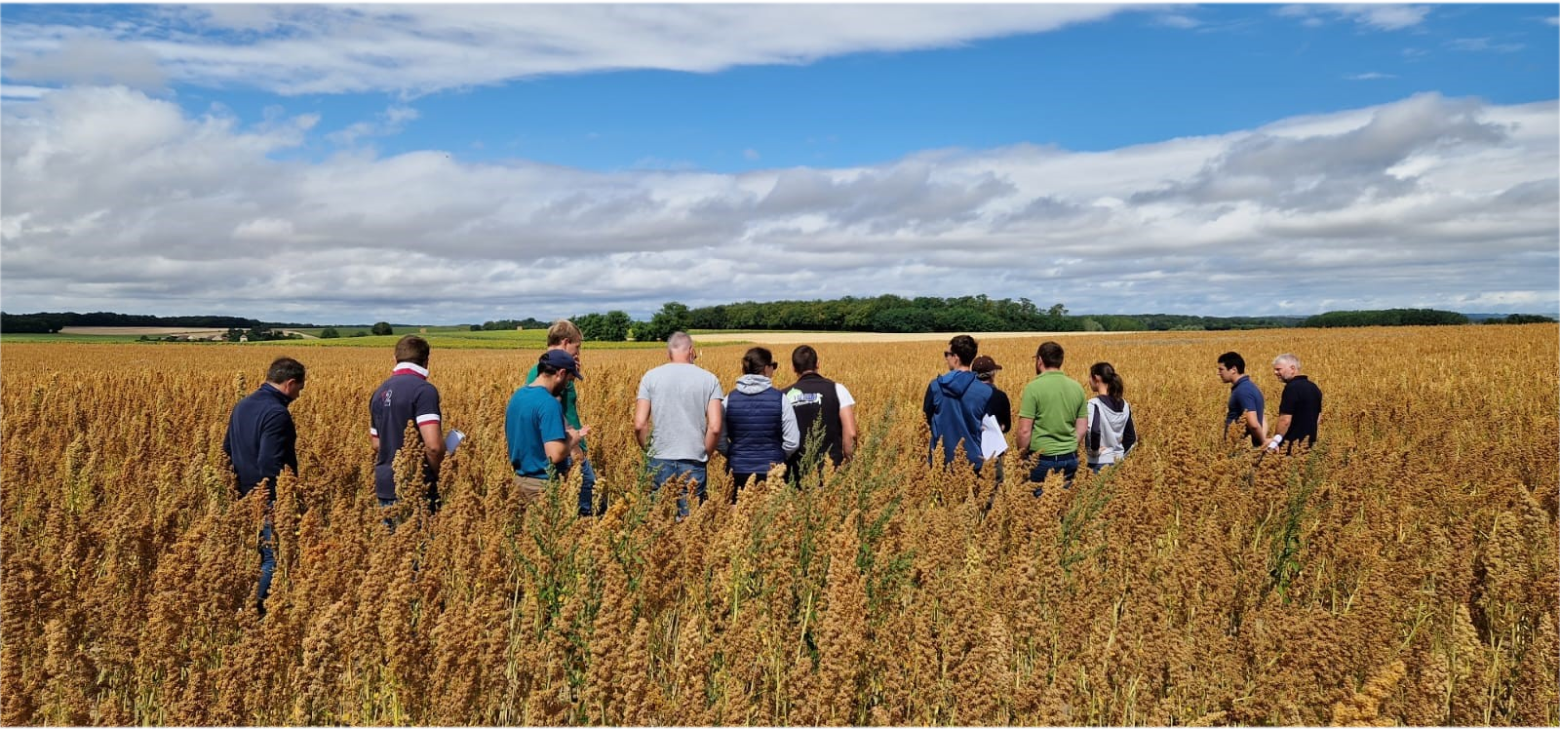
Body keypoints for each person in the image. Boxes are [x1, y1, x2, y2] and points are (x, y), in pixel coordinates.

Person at [223, 356, 305, 614]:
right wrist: (282, 497)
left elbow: (226, 451)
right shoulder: (277, 413)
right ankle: (254, 612)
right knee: (274, 558)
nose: (299, 395)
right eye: (300, 388)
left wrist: (238, 491)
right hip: (268, 497)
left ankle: (249, 607)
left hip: (243, 495)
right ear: (290, 383)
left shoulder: (243, 405)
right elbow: (270, 462)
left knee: (258, 555)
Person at [635, 332, 723, 517]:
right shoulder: (709, 379)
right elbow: (715, 427)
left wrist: (651, 451)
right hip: (693, 459)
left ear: (669, 353)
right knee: (690, 527)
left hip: (658, 459)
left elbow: (640, 424)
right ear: (691, 350)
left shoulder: (650, 377)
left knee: (658, 521)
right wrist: (704, 453)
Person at [525, 320, 600, 517]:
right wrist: (575, 452)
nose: (578, 354)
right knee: (586, 510)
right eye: (577, 348)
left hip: (569, 447)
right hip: (568, 450)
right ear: (566, 342)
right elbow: (552, 415)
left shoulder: (551, 371)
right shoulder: (544, 373)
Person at [369, 335, 445, 516]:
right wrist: (438, 475)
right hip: (416, 485)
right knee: (421, 541)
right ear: (426, 361)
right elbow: (433, 446)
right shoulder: (423, 391)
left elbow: (376, 444)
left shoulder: (379, 391)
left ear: (395, 359)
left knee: (391, 543)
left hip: (385, 485)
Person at [506, 350, 586, 505]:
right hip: (542, 487)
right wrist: (574, 438)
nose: (567, 386)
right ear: (561, 373)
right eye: (569, 380)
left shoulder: (518, 396)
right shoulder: (549, 403)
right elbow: (554, 455)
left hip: (519, 482)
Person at [720, 347, 800, 498]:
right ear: (765, 368)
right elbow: (792, 441)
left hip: (737, 470)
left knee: (738, 516)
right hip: (772, 473)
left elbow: (719, 437)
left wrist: (734, 454)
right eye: (773, 366)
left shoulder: (728, 399)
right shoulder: (781, 399)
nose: (774, 370)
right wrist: (777, 458)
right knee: (771, 518)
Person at [1016, 341, 1088, 494]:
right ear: (1060, 361)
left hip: (1041, 459)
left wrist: (1021, 456)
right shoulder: (1077, 388)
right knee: (1062, 505)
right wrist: (1068, 445)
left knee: (1037, 509)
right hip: (1070, 458)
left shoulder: (1033, 388)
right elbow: (1082, 428)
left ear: (1040, 360)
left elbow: (1024, 431)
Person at [779, 344, 858, 479]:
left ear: (793, 368)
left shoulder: (782, 396)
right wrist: (849, 465)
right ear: (818, 364)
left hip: (795, 475)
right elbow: (851, 433)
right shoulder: (837, 389)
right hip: (831, 472)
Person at [923, 335, 993, 472]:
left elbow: (925, 419)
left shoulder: (936, 386)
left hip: (941, 461)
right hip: (973, 463)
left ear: (956, 357)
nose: (946, 358)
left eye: (947, 354)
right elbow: (989, 429)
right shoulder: (986, 391)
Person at [1084, 362, 1138, 472]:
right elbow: (1131, 438)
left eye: (1090, 377)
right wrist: (1119, 455)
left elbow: (1093, 430)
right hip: (1117, 463)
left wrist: (1094, 451)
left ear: (1097, 378)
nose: (1088, 381)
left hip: (1098, 463)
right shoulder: (1125, 405)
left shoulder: (1094, 404)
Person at [1267, 354, 1322, 453]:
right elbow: (1318, 417)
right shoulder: (1314, 387)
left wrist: (1275, 442)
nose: (1275, 373)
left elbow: (1285, 420)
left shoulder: (1291, 388)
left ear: (1292, 368)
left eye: (1278, 369)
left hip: (1290, 447)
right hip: (1309, 445)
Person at [973, 355, 1010, 482]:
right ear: (992, 375)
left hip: (971, 451)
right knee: (993, 493)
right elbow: (1006, 426)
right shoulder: (1000, 396)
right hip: (994, 453)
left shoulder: (967, 395)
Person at [1217, 351, 1266, 447]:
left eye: (1221, 369)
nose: (1218, 373)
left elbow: (1253, 424)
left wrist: (1263, 442)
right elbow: (1263, 417)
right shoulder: (1250, 387)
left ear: (1233, 370)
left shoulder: (1243, 390)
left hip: (1241, 450)